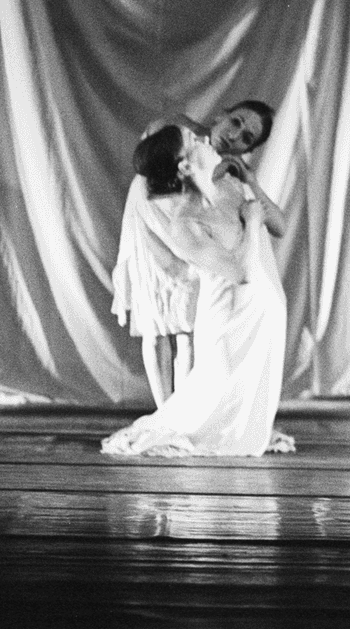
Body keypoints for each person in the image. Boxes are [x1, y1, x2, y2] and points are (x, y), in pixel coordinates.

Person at [103, 125, 294, 456]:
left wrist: (251, 187)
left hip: (261, 314)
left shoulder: (230, 188)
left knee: (248, 414)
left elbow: (277, 224)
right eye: (193, 141)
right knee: (215, 417)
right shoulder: (185, 221)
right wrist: (251, 223)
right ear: (184, 165)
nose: (205, 139)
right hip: (230, 319)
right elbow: (239, 273)